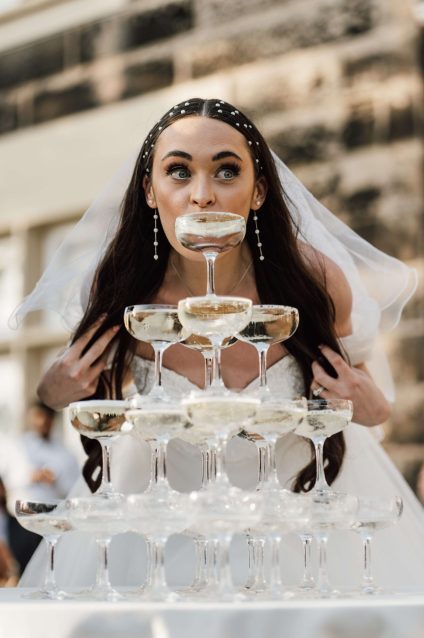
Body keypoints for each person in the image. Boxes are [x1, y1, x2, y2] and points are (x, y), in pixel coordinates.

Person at [14, 97, 424, 592]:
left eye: (227, 172)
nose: (202, 195)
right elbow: (76, 393)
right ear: (149, 190)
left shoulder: (312, 280)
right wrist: (54, 390)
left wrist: (372, 406)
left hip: (297, 518)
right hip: (156, 523)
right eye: (179, 172)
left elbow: (367, 401)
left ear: (258, 192)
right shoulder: (120, 287)